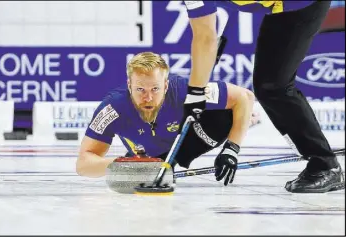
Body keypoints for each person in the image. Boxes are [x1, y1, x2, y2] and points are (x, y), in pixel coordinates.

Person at [182, 0, 344, 193]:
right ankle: (322, 160)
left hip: (302, 3)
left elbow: (205, 38)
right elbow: (208, 32)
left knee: (274, 87)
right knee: (270, 86)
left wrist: (196, 93)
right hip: (279, 6)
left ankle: (325, 165)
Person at [76, 51, 255, 186]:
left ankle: (249, 120)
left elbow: (244, 97)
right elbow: (83, 163)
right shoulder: (112, 108)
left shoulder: (182, 90)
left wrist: (231, 149)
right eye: (140, 90)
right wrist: (121, 164)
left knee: (225, 116)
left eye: (155, 89)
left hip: (189, 139)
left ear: (166, 85)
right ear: (129, 85)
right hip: (148, 156)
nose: (148, 98)